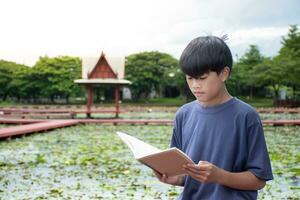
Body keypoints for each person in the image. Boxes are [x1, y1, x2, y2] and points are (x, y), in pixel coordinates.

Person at [154, 36, 273, 199]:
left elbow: (259, 180)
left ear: (224, 73)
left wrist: (220, 176)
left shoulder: (246, 116)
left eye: (202, 78)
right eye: (190, 78)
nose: (195, 85)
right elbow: (186, 173)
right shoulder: (183, 114)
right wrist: (177, 178)